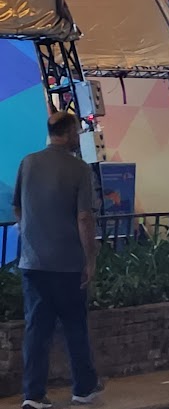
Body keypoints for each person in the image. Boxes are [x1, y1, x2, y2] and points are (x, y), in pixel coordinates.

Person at [13, 111, 102, 408]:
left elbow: (18, 209)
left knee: (36, 330)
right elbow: (84, 217)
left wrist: (31, 234)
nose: (78, 137)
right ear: (69, 133)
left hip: (32, 263)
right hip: (68, 264)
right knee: (75, 327)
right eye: (77, 131)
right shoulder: (79, 169)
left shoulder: (27, 163)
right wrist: (90, 259)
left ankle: (33, 395)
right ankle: (83, 389)